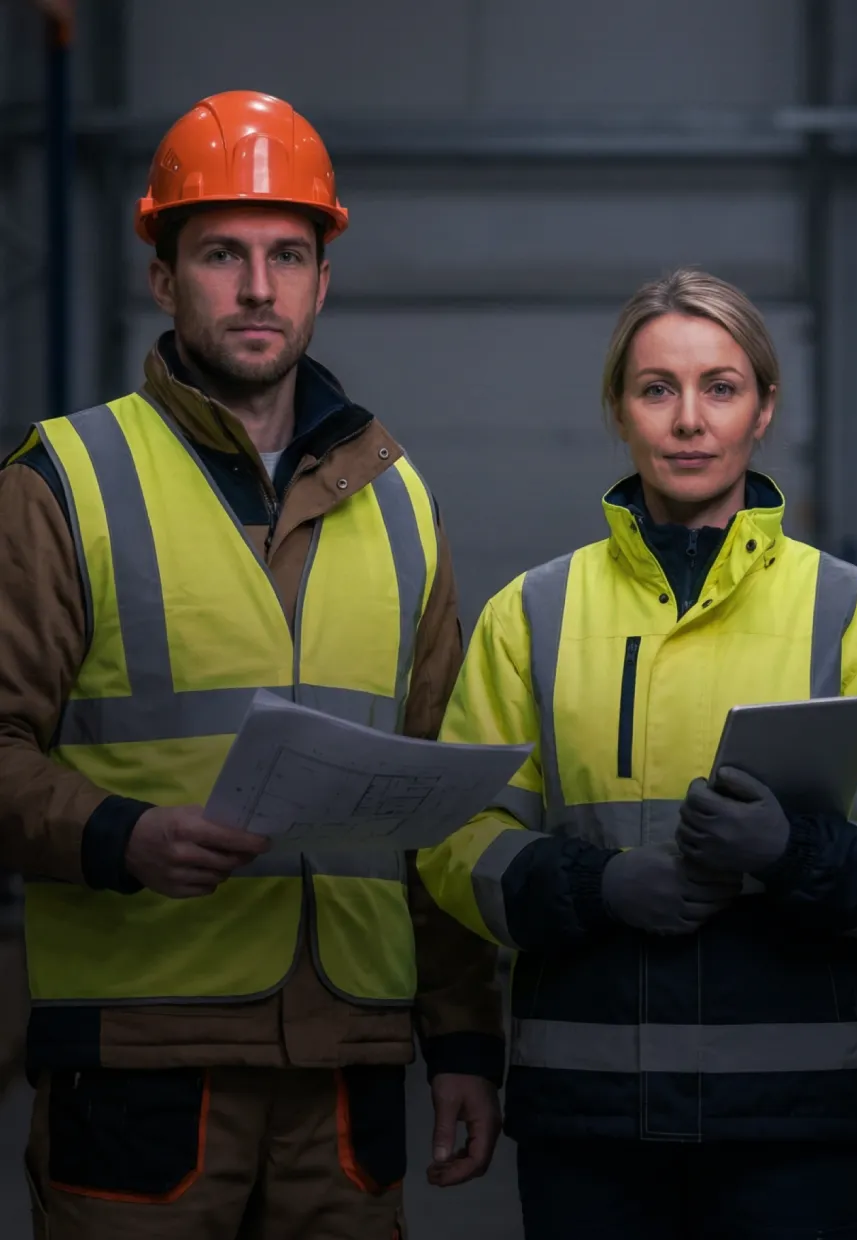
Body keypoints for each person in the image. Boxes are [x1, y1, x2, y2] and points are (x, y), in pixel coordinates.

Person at [0, 90, 504, 1239]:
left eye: (289, 254)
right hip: (140, 1061)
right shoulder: (61, 483)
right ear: (164, 276)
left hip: (351, 1063)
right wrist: (119, 833)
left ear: (325, 280)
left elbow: (441, 801)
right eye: (222, 252)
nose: (260, 286)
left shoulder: (403, 503)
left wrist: (464, 1040)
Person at [417, 268, 857, 1239]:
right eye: (657, 388)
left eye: (720, 386)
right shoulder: (532, 616)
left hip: (791, 1128)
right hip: (589, 1125)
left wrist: (794, 852)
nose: (688, 419)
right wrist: (598, 886)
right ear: (619, 411)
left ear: (764, 409)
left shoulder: (854, 614)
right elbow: (457, 842)